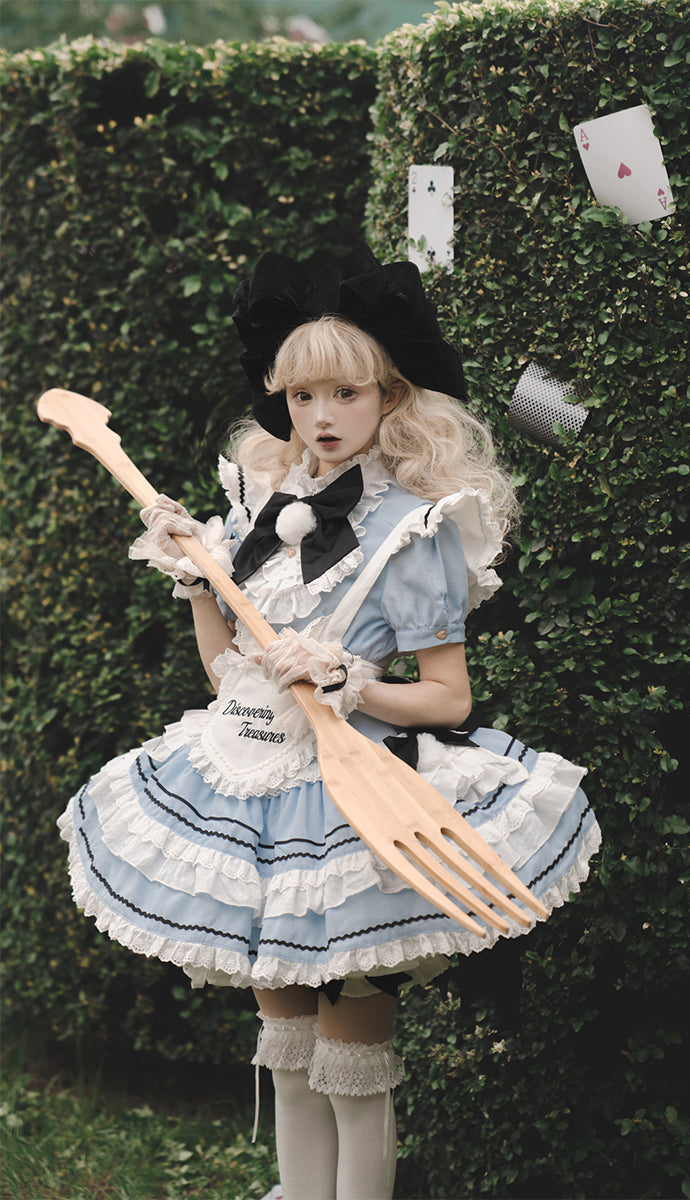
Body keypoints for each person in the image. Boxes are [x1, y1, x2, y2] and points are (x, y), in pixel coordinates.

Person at [57, 245, 601, 1200]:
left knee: (352, 1055)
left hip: (357, 809)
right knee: (286, 1044)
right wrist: (200, 582)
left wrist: (350, 679)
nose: (322, 416)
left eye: (346, 393)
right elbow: (230, 675)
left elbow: (449, 699)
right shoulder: (255, 511)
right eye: (303, 396)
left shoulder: (418, 529)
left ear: (391, 397)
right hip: (255, 793)